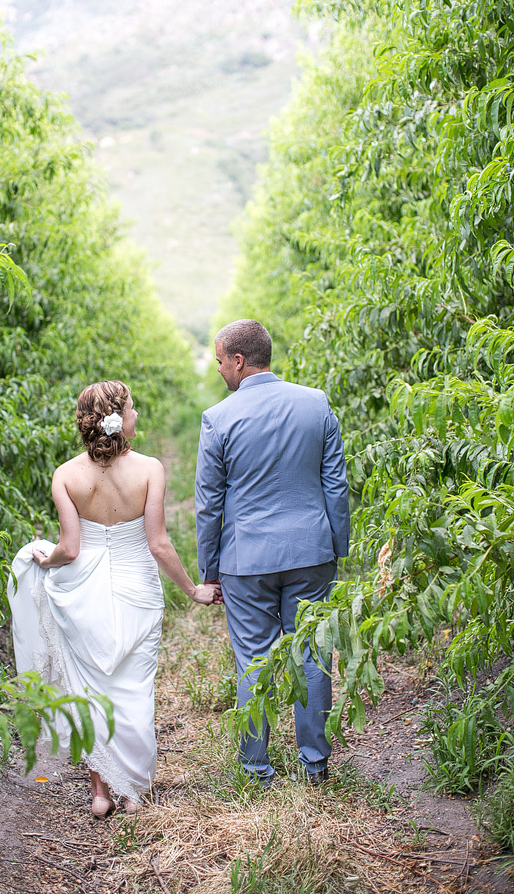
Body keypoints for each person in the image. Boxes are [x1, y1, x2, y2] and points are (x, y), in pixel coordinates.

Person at [8, 380, 219, 818]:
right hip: (136, 589)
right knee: (134, 689)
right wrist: (193, 589)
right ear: (119, 417)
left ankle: (100, 793)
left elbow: (69, 549)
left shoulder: (65, 475)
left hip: (83, 591)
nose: (138, 415)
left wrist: (44, 562)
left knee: (92, 687)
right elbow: (158, 544)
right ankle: (133, 792)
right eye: (134, 408)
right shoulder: (150, 469)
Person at [195, 320, 349, 785]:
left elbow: (209, 503)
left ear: (238, 361)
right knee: (312, 654)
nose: (220, 369)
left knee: (254, 659)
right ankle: (314, 764)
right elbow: (335, 486)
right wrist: (335, 548)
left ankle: (256, 768)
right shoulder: (316, 403)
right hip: (311, 552)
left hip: (246, 560)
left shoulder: (218, 418)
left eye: (221, 360)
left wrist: (210, 570)